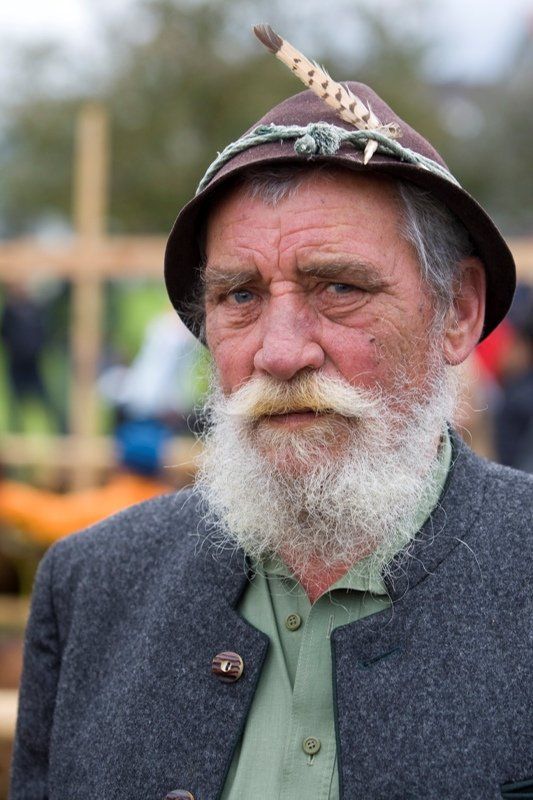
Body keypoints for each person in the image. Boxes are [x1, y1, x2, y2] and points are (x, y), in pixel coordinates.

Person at [10, 26, 533, 800]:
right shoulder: (93, 589)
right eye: (239, 296)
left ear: (456, 312)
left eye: (339, 288)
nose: (280, 353)